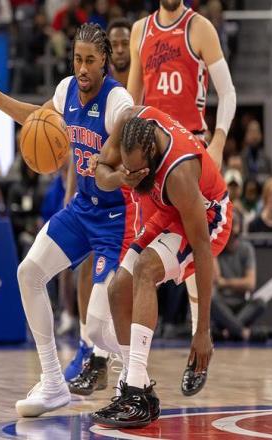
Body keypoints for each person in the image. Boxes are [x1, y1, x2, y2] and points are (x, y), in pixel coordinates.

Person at [0, 23, 136, 417]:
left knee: (96, 329)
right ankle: (53, 382)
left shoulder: (117, 101)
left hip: (116, 217)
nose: (83, 68)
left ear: (105, 61)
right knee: (29, 273)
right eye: (77, 59)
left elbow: (132, 129)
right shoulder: (66, 90)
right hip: (83, 208)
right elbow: (37, 118)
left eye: (90, 60)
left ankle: (134, 373)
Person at [90, 106, 233, 428]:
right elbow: (101, 173)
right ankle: (139, 389)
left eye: (140, 171)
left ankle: (134, 389)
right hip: (168, 211)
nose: (135, 179)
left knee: (145, 269)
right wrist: (121, 177)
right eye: (130, 169)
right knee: (117, 288)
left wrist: (202, 330)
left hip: (209, 218)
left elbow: (202, 250)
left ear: (153, 153)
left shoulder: (180, 173)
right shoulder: (129, 121)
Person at [127, 0, 236, 396]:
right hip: (149, 158)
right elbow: (131, 102)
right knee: (137, 261)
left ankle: (197, 337)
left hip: (189, 150)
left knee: (192, 245)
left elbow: (228, 92)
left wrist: (218, 141)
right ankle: (124, 365)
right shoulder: (141, 30)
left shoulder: (199, 26)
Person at [66, 17, 134, 395]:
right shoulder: (78, 87)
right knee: (83, 268)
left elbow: (126, 149)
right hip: (89, 198)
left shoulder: (123, 93)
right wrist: (71, 189)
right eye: (78, 59)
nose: (121, 49)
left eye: (125, 43)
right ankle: (89, 349)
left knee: (123, 286)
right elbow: (75, 144)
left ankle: (128, 367)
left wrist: (107, 163)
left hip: (122, 203)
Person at [212, 210, 266, 341]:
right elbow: (216, 280)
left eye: (233, 224)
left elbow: (250, 284)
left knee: (260, 303)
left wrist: (226, 283)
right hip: (221, 304)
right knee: (211, 300)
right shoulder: (215, 246)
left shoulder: (246, 248)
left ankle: (228, 331)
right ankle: (243, 332)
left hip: (240, 304)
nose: (230, 229)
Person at [107, 18, 132, 88]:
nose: (120, 50)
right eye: (114, 44)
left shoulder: (144, 79)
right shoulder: (99, 81)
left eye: (125, 43)